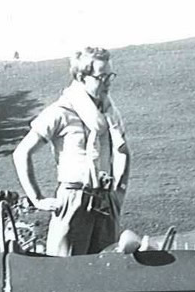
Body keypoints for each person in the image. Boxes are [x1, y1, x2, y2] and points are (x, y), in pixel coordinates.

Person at [13, 46, 130, 256]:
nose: (108, 83)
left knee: (108, 271)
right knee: (64, 273)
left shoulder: (111, 114)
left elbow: (123, 151)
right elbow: (22, 153)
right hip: (74, 199)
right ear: (81, 76)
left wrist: (118, 192)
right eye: (101, 77)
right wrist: (37, 199)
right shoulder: (60, 112)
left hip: (106, 202)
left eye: (110, 76)